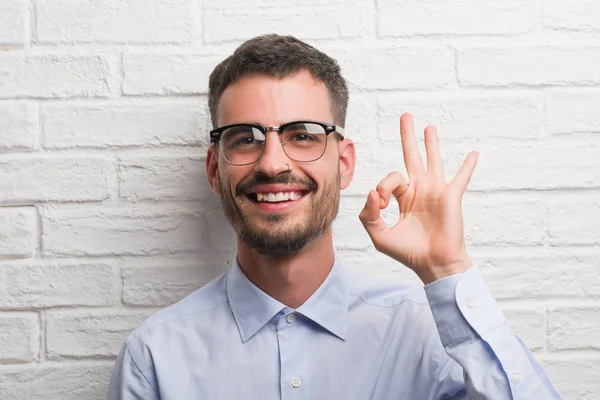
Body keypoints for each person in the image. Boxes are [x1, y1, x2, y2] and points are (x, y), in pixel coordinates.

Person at [108, 34, 562, 399]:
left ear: (344, 164)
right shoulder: (154, 358)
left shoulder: (430, 337)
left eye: (302, 135)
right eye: (244, 138)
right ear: (214, 168)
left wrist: (447, 270)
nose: (271, 163)